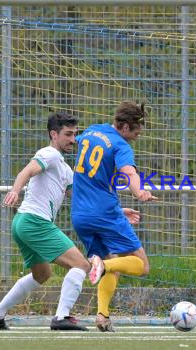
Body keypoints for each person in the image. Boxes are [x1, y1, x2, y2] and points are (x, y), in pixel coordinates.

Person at [0, 113, 91, 331]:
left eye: (75, 135)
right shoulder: (49, 153)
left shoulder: (65, 169)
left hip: (23, 223)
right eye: (68, 134)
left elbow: (82, 200)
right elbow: (28, 170)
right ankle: (61, 317)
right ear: (54, 134)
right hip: (35, 222)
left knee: (42, 274)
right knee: (81, 264)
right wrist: (15, 190)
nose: (73, 139)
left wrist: (115, 212)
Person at [71, 101, 156, 332]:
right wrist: (139, 192)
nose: (137, 136)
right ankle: (102, 264)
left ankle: (102, 316)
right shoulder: (121, 145)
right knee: (141, 265)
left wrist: (120, 210)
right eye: (136, 132)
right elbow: (129, 171)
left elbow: (76, 149)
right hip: (105, 213)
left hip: (80, 215)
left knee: (114, 266)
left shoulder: (90, 132)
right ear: (126, 127)